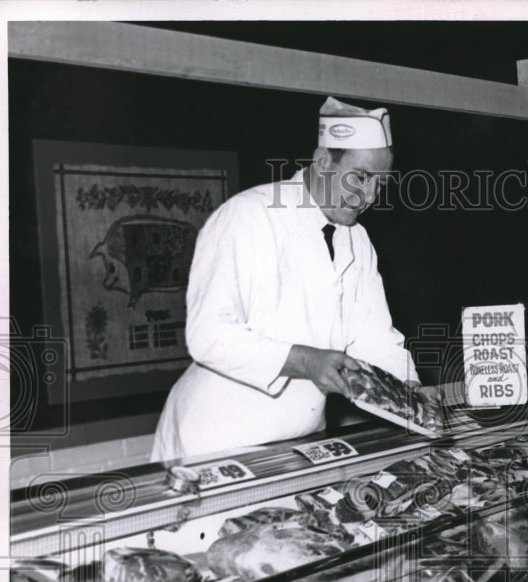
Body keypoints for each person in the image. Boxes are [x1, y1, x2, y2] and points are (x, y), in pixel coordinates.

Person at [151, 97, 432, 462]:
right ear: (322, 160)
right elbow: (208, 336)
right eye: (361, 177)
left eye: (380, 183)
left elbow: (374, 338)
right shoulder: (250, 215)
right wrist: (304, 361)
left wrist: (411, 391)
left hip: (298, 447)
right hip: (216, 444)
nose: (370, 196)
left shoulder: (357, 239)